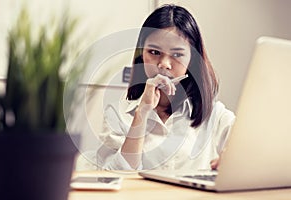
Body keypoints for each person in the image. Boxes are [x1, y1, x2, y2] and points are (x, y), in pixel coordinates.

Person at [95, 4, 235, 171]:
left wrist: (234, 162)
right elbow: (111, 176)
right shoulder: (117, 113)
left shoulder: (215, 115)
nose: (164, 64)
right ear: (142, 53)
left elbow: (255, 151)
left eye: (177, 55)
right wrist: (142, 113)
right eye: (154, 52)